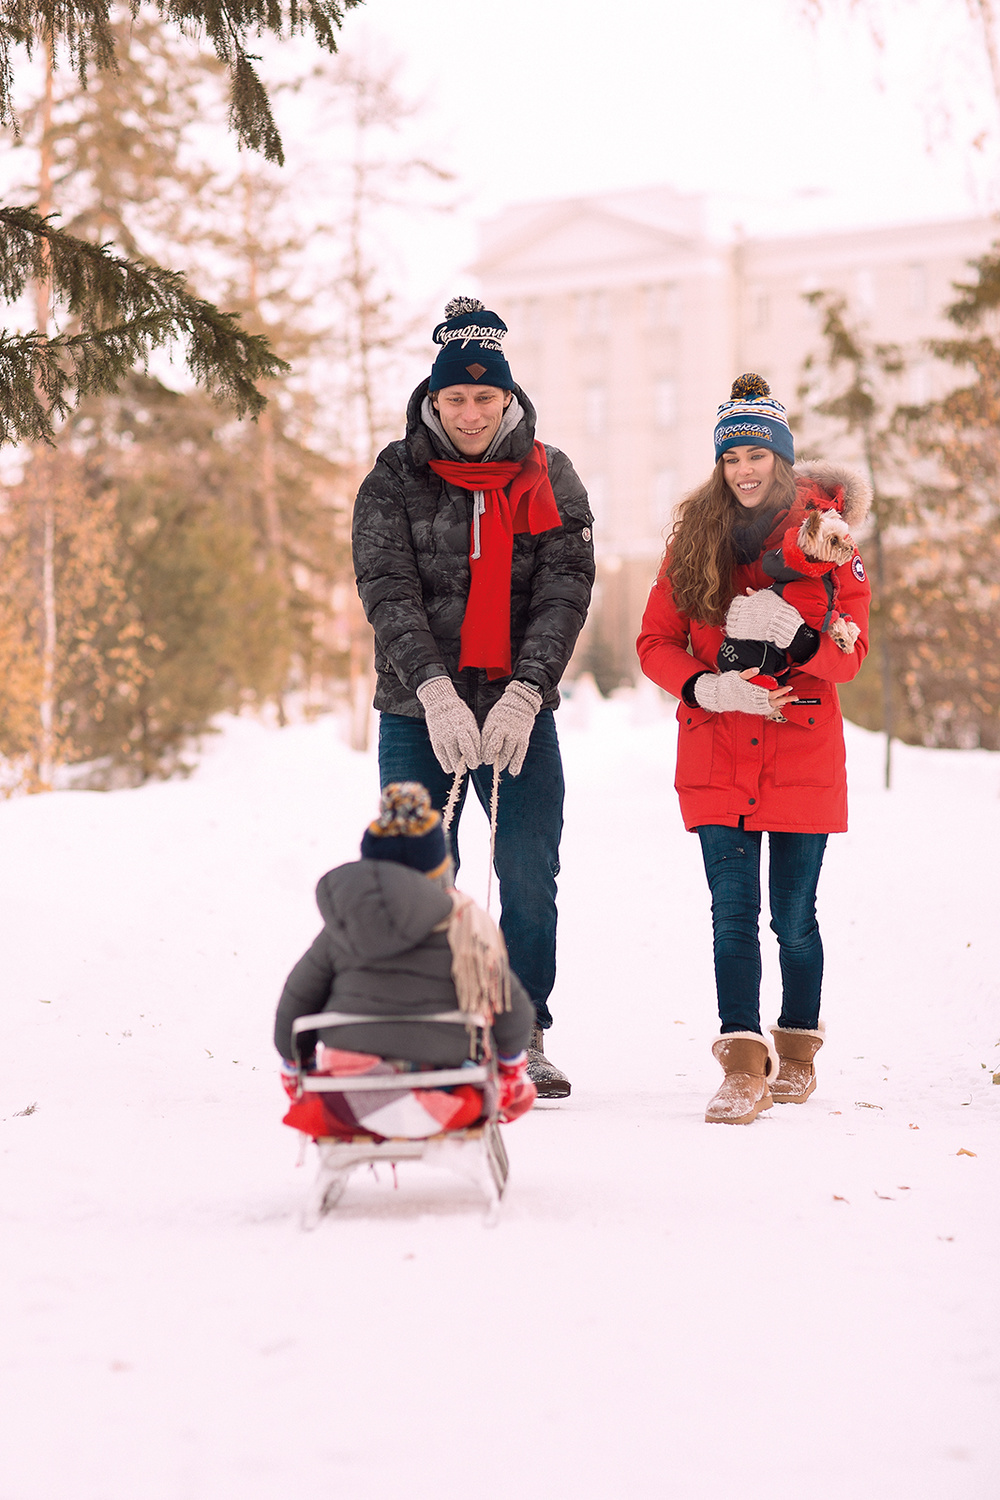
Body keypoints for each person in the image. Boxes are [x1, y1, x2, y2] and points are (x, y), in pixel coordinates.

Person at [352, 296, 595, 1098]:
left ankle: (525, 1034)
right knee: (419, 872)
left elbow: (565, 588)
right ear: (433, 399)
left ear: (508, 400)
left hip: (519, 709)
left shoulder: (550, 474)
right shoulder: (395, 476)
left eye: (484, 398)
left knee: (527, 872)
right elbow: (387, 590)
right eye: (454, 398)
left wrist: (528, 691)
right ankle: (427, 1026)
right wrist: (434, 691)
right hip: (417, 710)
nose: (468, 412)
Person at [636, 374, 871, 1124]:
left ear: (782, 459)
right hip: (716, 752)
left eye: (757, 454)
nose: (744, 468)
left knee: (792, 917)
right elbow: (654, 643)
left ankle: (796, 1047)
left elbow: (850, 656)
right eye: (731, 455)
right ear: (719, 463)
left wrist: (796, 637)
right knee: (731, 916)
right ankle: (742, 1064)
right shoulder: (692, 541)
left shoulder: (829, 541)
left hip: (800, 751)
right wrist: (705, 688)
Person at [274, 783, 537, 1141]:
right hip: (444, 1089)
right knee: (503, 1089)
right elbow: (514, 1011)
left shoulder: (341, 928)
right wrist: (508, 1067)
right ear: (438, 867)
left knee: (336, 1073)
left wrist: (296, 1067)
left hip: (352, 1099)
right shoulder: (462, 924)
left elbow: (295, 1004)